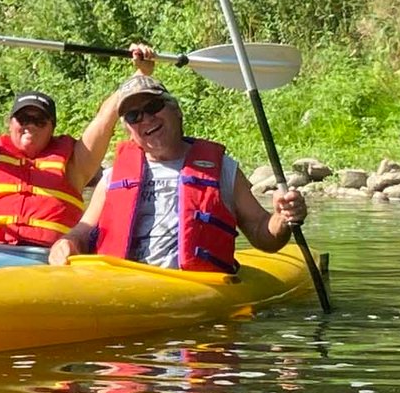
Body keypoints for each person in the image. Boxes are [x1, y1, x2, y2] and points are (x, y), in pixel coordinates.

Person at [48, 68, 308, 271]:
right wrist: (67, 242)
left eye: (153, 107)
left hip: (188, 285)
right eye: (133, 116)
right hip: (123, 282)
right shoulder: (114, 176)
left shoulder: (222, 170)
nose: (146, 119)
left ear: (176, 111)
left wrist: (283, 218)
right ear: (129, 130)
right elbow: (83, 230)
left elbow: (264, 234)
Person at [0, 29, 148, 249]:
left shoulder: (74, 165)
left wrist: (139, 75)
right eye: (23, 118)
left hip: (44, 259)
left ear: (52, 129)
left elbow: (105, 119)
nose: (30, 125)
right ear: (10, 123)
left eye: (40, 121)